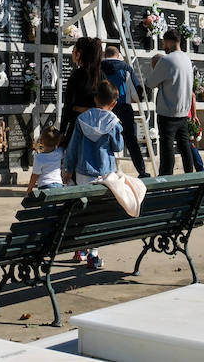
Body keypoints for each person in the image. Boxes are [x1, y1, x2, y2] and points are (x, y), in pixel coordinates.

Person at [61, 80, 124, 270]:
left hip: (83, 172)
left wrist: (68, 169)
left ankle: (80, 249)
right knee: (98, 215)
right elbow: (118, 147)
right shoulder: (113, 122)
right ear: (113, 103)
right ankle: (93, 254)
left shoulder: (82, 119)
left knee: (83, 211)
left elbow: (73, 148)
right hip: (104, 174)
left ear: (95, 99)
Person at [142, 29, 194, 175]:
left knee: (167, 148)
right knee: (185, 146)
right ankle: (190, 175)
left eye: (164, 42)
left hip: (168, 112)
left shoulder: (167, 60)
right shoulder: (187, 59)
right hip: (183, 112)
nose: (164, 45)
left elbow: (150, 83)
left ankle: (166, 177)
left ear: (169, 42)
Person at [101, 43, 149, 178]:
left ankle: (106, 172)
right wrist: (138, 98)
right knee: (131, 140)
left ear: (105, 55)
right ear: (118, 55)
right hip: (123, 106)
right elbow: (137, 89)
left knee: (103, 139)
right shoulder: (126, 67)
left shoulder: (98, 67)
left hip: (104, 107)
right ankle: (141, 171)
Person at [59, 36, 104, 147]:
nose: (72, 54)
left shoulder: (77, 75)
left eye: (73, 51)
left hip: (78, 126)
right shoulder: (101, 75)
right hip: (97, 128)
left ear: (79, 54)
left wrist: (62, 132)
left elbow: (68, 105)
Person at [25, 125, 64, 197]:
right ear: (57, 142)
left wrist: (29, 190)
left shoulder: (39, 158)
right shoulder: (60, 152)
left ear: (41, 141)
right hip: (59, 184)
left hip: (45, 185)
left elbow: (35, 175)